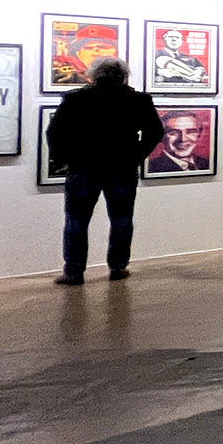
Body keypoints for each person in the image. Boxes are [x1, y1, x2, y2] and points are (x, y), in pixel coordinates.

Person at [48, 57, 162, 284]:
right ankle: (118, 268)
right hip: (122, 166)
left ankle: (73, 271)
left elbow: (55, 132)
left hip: (83, 167)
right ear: (124, 75)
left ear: (94, 75)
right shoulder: (137, 100)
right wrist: (136, 156)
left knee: (76, 221)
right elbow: (155, 132)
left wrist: (66, 159)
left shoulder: (76, 98)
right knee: (121, 219)